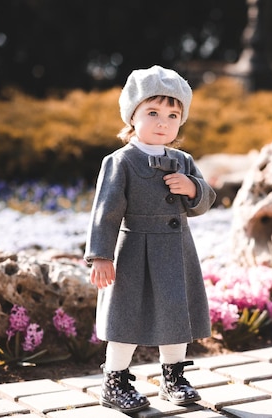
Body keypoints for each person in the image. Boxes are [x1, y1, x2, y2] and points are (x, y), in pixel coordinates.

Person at [84, 65, 216, 413]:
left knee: (176, 316)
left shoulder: (182, 160)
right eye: (153, 112)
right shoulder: (121, 162)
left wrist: (193, 189)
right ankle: (114, 380)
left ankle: (173, 376)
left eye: (173, 115)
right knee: (124, 317)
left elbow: (204, 201)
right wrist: (101, 255)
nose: (163, 122)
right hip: (134, 251)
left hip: (175, 250)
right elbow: (106, 211)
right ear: (132, 115)